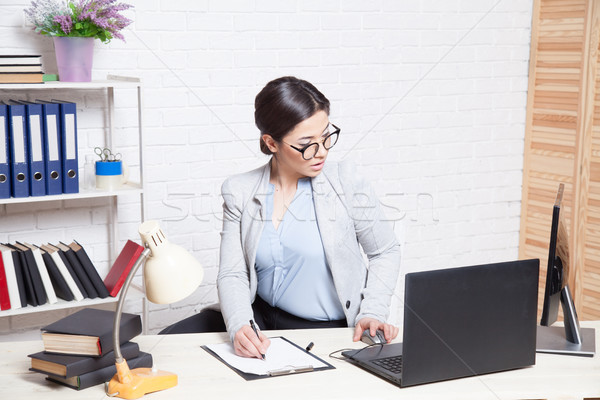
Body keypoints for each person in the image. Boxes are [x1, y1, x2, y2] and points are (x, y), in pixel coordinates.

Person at [160, 76, 401, 360]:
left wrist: (372, 311)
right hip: (258, 318)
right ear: (271, 143)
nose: (321, 151)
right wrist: (240, 326)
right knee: (164, 345)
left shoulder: (346, 181)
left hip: (325, 328)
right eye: (306, 143)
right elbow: (233, 272)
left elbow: (385, 250)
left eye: (326, 136)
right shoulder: (239, 191)